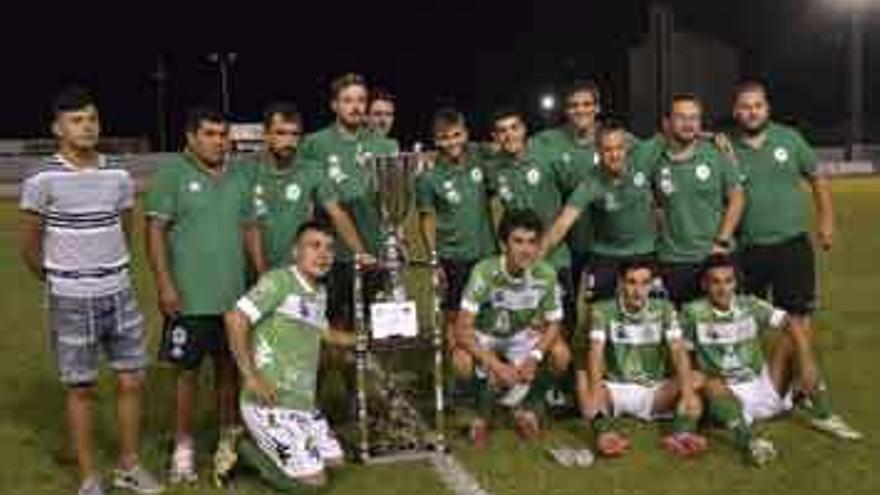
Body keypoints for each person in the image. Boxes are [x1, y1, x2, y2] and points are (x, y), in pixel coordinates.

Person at [20, 87, 163, 495]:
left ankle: (129, 466)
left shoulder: (118, 174)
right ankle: (88, 478)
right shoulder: (42, 178)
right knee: (81, 388)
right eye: (77, 120)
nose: (87, 127)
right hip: (70, 299)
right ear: (57, 127)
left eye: (92, 119)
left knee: (131, 380)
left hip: (119, 291)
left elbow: (124, 227)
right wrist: (60, 279)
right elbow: (30, 245)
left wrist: (108, 269)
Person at [145, 107, 265, 483]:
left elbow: (250, 229)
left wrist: (261, 278)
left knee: (229, 373)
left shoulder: (239, 177)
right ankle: (183, 447)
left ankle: (227, 440)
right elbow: (154, 233)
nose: (219, 141)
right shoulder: (171, 176)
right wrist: (164, 284)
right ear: (191, 137)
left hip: (233, 299)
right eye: (210, 134)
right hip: (190, 298)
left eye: (222, 134)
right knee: (187, 376)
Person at [683, 255, 862, 467]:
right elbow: (682, 354)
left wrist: (805, 361)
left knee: (796, 333)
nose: (723, 289)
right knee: (710, 382)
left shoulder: (749, 304)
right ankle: (750, 442)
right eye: (715, 282)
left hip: (765, 388)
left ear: (735, 282)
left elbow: (790, 321)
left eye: (728, 281)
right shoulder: (691, 313)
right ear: (704, 285)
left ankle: (824, 414)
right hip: (730, 398)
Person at [225, 221, 353, 489]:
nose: (323, 254)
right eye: (314, 246)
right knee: (314, 483)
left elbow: (326, 334)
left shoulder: (318, 292)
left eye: (329, 248)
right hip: (269, 401)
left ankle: (278, 446)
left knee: (336, 463)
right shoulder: (278, 281)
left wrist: (369, 338)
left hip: (302, 402)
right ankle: (245, 449)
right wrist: (251, 377)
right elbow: (235, 319)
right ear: (296, 251)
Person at [729, 80, 835, 396]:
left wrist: (826, 222)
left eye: (757, 106)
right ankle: (751, 376)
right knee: (746, 319)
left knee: (798, 315)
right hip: (747, 246)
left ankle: (798, 381)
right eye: (745, 107)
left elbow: (817, 179)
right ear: (736, 111)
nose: (752, 112)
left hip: (792, 243)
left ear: (767, 108)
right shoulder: (726, 148)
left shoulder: (789, 139)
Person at [454, 209, 571, 448]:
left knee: (561, 354)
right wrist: (496, 365)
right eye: (517, 241)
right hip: (484, 334)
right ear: (503, 244)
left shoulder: (546, 273)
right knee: (461, 360)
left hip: (519, 334)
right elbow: (462, 329)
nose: (525, 249)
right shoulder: (484, 272)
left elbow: (554, 323)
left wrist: (534, 359)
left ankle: (529, 407)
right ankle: (478, 412)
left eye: (532, 242)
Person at [580, 261, 706, 458]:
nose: (638, 290)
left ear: (652, 284)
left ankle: (681, 434)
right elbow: (596, 351)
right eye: (631, 282)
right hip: (615, 390)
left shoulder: (664, 309)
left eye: (644, 283)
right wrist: (595, 391)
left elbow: (678, 351)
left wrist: (688, 391)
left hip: (654, 392)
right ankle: (606, 435)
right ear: (620, 284)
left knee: (695, 379)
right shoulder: (601, 310)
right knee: (584, 380)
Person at [416, 109, 497, 378]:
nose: (452, 142)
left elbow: (498, 148)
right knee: (454, 321)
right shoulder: (429, 177)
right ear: (436, 141)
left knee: (488, 316)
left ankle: (488, 375)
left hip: (486, 254)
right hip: (453, 257)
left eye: (457, 135)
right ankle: (460, 380)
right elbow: (427, 219)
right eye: (444, 138)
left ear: (466, 134)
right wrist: (434, 258)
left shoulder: (478, 160)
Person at [540, 121, 657, 301]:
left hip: (644, 249)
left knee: (651, 311)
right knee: (598, 311)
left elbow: (676, 135)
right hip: (607, 252)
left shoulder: (643, 159)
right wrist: (532, 261)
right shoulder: (591, 182)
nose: (615, 154)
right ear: (598, 151)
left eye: (619, 148)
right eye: (608, 150)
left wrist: (713, 138)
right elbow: (563, 222)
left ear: (627, 147)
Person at [246, 102, 370, 269]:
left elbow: (337, 214)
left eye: (294, 134)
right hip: (254, 275)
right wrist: (263, 274)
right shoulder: (246, 172)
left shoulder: (312, 171)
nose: (288, 141)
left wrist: (360, 253)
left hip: (297, 272)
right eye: (280, 133)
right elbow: (249, 226)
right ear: (266, 135)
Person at [652, 94, 744, 306]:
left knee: (721, 326)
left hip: (715, 257)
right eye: (681, 117)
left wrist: (721, 242)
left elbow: (737, 198)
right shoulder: (655, 158)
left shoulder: (717, 153)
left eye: (694, 118)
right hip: (672, 260)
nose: (688, 123)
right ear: (667, 122)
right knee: (677, 330)